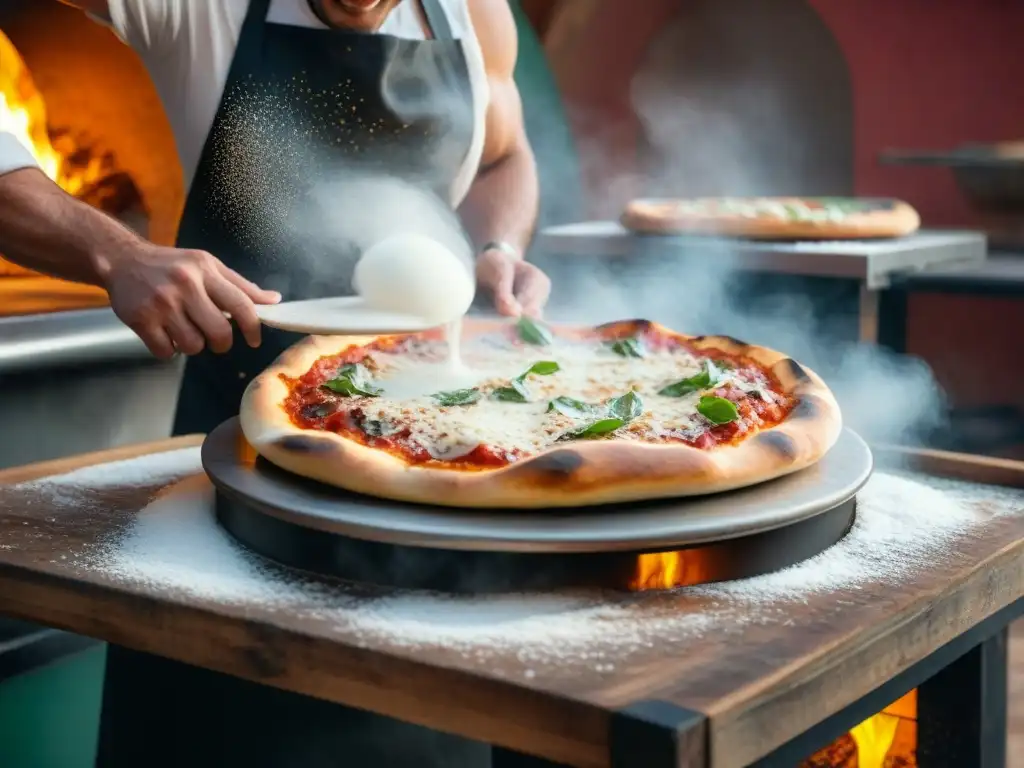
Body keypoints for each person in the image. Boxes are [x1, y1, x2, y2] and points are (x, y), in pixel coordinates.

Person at [0, 0, 551, 765]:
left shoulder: (471, 15)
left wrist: (494, 243)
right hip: (237, 487)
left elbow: (504, 156)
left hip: (431, 475)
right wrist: (115, 253)